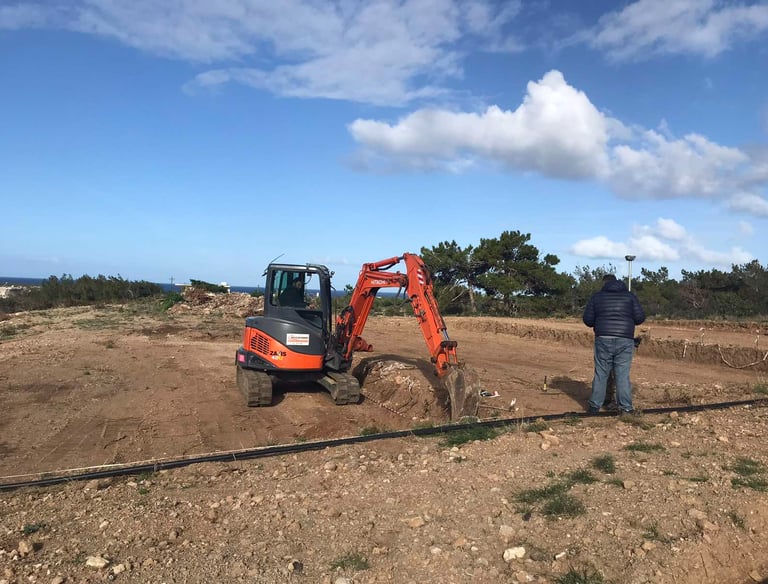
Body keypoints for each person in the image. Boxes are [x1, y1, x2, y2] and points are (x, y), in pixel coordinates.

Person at [583, 274, 645, 414]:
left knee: (601, 373)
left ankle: (594, 407)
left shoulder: (597, 297)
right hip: (625, 339)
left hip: (603, 338)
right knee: (622, 374)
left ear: (604, 284)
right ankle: (626, 408)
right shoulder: (629, 296)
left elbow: (587, 320)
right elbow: (640, 317)